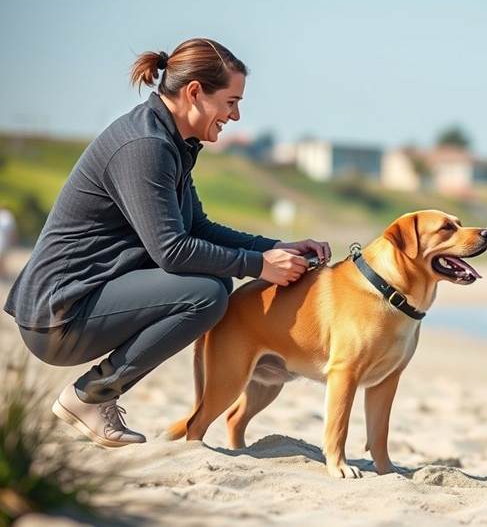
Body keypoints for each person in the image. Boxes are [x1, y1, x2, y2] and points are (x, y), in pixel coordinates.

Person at [4, 38, 330, 448]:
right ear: (194, 92)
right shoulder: (146, 146)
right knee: (206, 293)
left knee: (212, 287)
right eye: (231, 101)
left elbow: (199, 229)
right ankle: (91, 396)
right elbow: (172, 251)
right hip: (59, 313)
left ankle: (93, 395)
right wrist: (260, 267)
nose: (236, 114)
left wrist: (277, 247)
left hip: (81, 300)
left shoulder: (170, 142)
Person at [0, 204, 18, 281]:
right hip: (4, 240)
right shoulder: (7, 216)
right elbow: (12, 231)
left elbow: (12, 231)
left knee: (2, 258)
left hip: (4, 240)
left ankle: (3, 274)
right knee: (2, 258)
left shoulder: (6, 216)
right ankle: (3, 274)